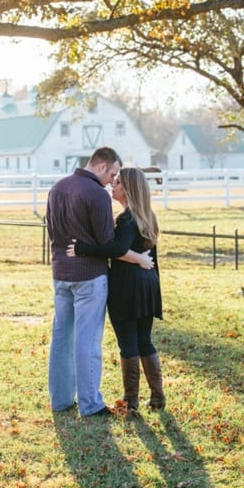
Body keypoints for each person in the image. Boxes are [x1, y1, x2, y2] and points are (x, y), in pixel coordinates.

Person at [67, 167, 164, 412]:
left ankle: (131, 401)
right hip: (147, 284)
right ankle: (157, 397)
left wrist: (82, 249)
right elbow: (146, 256)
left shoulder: (127, 219)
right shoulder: (147, 216)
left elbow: (116, 248)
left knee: (128, 344)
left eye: (119, 183)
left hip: (128, 287)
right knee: (145, 341)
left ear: (129, 189)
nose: (113, 185)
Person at [46, 147, 130, 418]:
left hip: (60, 273)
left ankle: (60, 400)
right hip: (90, 277)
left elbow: (52, 231)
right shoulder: (97, 195)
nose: (112, 180)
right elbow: (107, 242)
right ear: (102, 166)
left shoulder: (56, 188)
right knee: (88, 341)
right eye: (113, 173)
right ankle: (90, 404)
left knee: (61, 338)